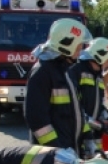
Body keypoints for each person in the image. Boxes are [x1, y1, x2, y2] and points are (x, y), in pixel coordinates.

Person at [25, 18, 92, 149]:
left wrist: (87, 138)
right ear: (67, 45)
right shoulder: (42, 72)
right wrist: (56, 150)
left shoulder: (67, 71)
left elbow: (77, 111)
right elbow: (37, 120)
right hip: (51, 158)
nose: (80, 51)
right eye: (78, 47)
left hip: (70, 152)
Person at [70, 37, 108, 158]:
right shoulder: (76, 71)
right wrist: (99, 125)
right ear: (100, 56)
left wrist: (104, 116)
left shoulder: (96, 75)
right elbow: (74, 108)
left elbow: (99, 101)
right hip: (78, 133)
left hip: (93, 133)